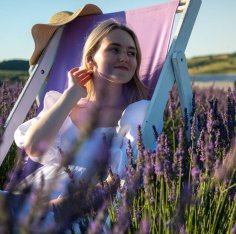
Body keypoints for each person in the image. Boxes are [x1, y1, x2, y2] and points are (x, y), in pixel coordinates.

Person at [5, 19, 150, 223]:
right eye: (114, 50)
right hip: (37, 194)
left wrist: (57, 207)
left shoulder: (135, 113)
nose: (124, 57)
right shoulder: (67, 105)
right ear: (91, 59)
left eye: (131, 53)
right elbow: (34, 148)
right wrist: (71, 95)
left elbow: (117, 182)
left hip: (82, 213)